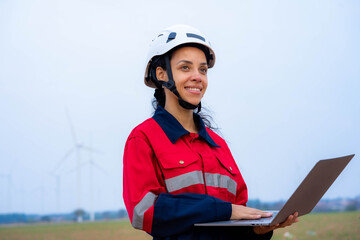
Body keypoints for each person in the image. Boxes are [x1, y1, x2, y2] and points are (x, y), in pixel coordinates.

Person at [123, 24, 298, 240]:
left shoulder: (218, 145)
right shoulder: (143, 138)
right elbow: (144, 212)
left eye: (203, 69)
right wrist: (223, 210)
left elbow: (236, 218)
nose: (198, 77)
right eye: (185, 68)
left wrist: (257, 230)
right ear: (161, 74)